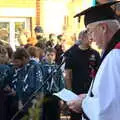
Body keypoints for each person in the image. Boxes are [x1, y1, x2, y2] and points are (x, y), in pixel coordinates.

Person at [67, 1, 120, 120]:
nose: (90, 38)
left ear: (103, 28)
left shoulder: (115, 55)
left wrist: (83, 104)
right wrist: (88, 97)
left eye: (90, 31)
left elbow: (109, 109)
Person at [64, 30, 100, 120]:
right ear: (82, 38)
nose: (91, 38)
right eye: (89, 36)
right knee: (76, 116)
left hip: (90, 91)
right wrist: (70, 92)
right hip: (76, 90)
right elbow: (68, 74)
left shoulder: (95, 53)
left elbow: (99, 73)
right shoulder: (72, 53)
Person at [42, 47, 65, 120]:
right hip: (44, 95)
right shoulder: (41, 67)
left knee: (54, 116)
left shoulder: (58, 68)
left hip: (54, 95)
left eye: (52, 55)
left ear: (55, 56)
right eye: (48, 55)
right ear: (44, 55)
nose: (50, 57)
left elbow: (61, 83)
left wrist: (61, 98)